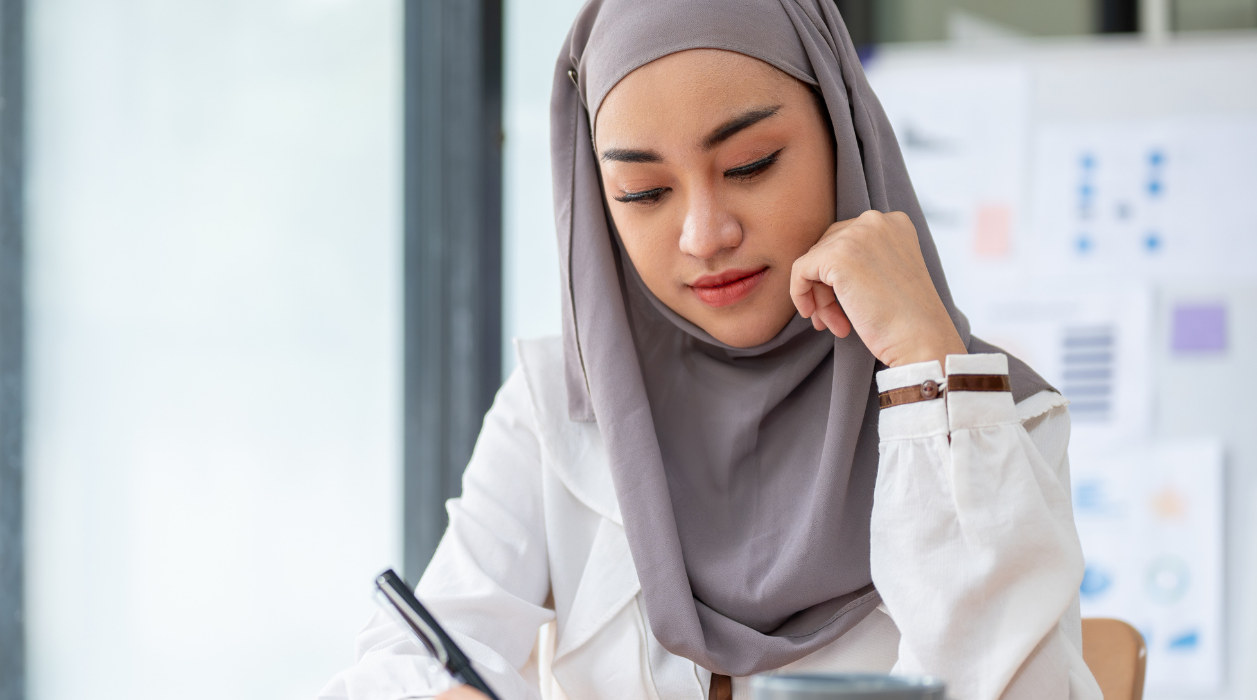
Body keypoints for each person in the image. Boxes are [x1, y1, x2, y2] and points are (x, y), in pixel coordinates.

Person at [321, 0, 1099, 698]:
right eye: (643, 194)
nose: (705, 236)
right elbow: (410, 658)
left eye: (750, 165)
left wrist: (930, 374)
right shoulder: (561, 403)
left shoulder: (998, 417)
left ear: (842, 133)